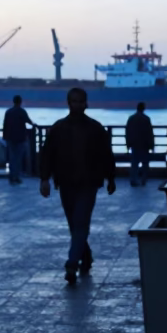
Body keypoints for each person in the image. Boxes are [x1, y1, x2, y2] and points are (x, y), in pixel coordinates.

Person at [39, 87, 116, 284]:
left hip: (88, 183)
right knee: (74, 224)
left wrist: (111, 178)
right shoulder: (58, 129)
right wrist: (44, 179)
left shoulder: (95, 129)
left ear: (86, 103)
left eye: (81, 101)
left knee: (80, 222)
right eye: (74, 101)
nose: (78, 105)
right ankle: (86, 255)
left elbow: (107, 155)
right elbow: (47, 155)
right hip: (65, 183)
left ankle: (72, 263)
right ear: (69, 103)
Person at [2, 95, 35, 185]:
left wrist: (5, 137)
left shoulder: (8, 112)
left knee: (12, 158)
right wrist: (34, 124)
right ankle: (16, 177)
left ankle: (11, 177)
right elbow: (28, 121)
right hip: (20, 138)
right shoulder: (22, 111)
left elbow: (4, 125)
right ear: (20, 102)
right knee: (18, 158)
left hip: (10, 138)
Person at [125, 102, 155, 186]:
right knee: (145, 163)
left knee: (134, 163)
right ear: (143, 108)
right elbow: (150, 133)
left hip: (134, 144)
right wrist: (152, 145)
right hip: (144, 145)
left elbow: (127, 132)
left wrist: (127, 144)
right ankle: (143, 180)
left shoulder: (131, 118)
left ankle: (133, 180)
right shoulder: (146, 119)